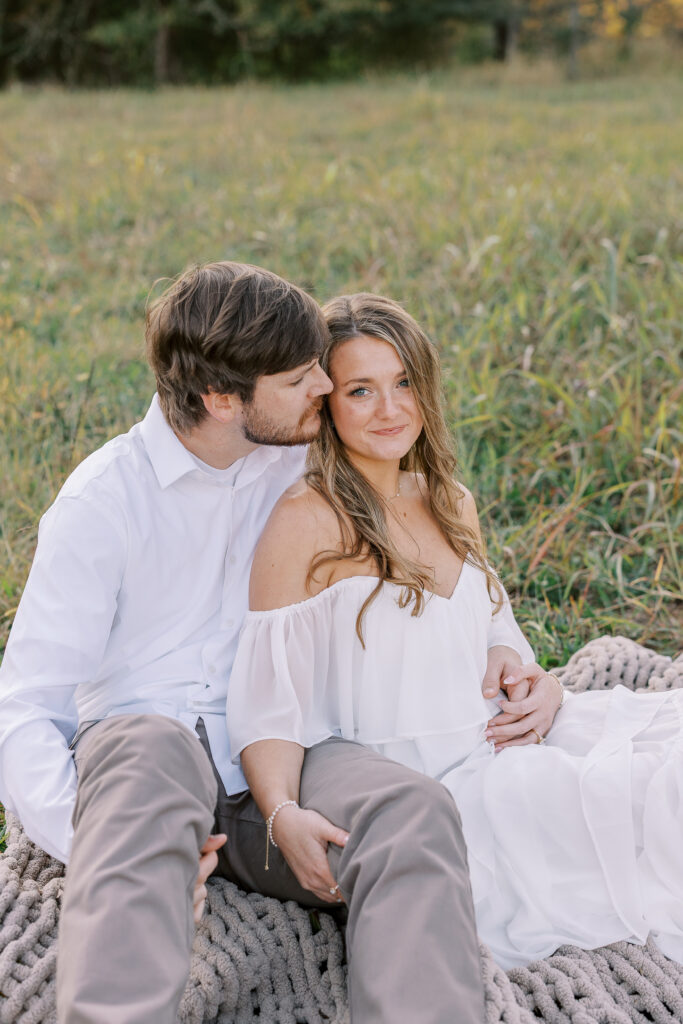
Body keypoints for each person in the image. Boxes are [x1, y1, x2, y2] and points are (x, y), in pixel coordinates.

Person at [0, 262, 564, 1024]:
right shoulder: (104, 502)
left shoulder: (307, 458)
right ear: (224, 399)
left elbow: (435, 547)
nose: (326, 391)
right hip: (150, 747)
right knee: (149, 758)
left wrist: (509, 646)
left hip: (286, 748)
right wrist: (90, 837)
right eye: (303, 379)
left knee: (411, 809)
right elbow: (26, 703)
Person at [227, 291, 683, 973]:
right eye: (361, 390)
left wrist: (533, 680)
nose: (390, 409)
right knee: (630, 810)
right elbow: (268, 701)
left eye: (403, 382)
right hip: (437, 784)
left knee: (664, 762)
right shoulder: (308, 521)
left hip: (505, 734)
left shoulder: (447, 498)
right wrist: (281, 808)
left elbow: (493, 626)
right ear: (325, 402)